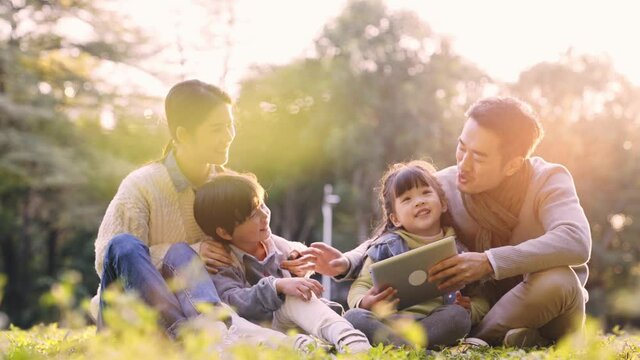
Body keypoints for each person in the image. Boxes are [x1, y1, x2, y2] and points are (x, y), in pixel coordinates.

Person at [302, 96, 592, 347]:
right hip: (472, 310)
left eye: (478, 156)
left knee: (560, 279)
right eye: (461, 147)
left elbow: (575, 241)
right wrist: (347, 263)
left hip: (542, 309)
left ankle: (479, 338)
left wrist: (489, 262)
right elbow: (393, 230)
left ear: (513, 164)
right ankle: (494, 339)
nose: (463, 164)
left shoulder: (548, 179)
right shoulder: (443, 186)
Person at [91, 79, 312, 349]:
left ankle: (201, 339)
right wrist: (191, 251)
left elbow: (256, 235)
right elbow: (108, 259)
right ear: (183, 134)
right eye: (217, 129)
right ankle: (186, 337)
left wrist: (295, 255)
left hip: (201, 313)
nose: (229, 135)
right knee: (123, 243)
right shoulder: (141, 186)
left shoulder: (228, 185)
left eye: (230, 125)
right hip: (137, 318)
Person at [193, 173, 372, 354]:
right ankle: (331, 345)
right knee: (290, 295)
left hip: (295, 323)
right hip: (262, 334)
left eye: (262, 204)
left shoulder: (276, 245)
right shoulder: (221, 259)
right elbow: (232, 302)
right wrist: (276, 286)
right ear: (225, 233)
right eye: (253, 214)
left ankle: (352, 341)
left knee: (296, 295)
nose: (265, 215)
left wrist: (298, 268)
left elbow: (298, 269)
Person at [344, 160, 486, 349]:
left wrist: (470, 308)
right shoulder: (384, 247)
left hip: (434, 324)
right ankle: (415, 349)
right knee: (353, 317)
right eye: (407, 199)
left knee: (458, 317)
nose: (419, 201)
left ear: (443, 203)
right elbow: (360, 285)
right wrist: (364, 301)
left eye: (426, 193)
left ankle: (398, 348)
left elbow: (481, 297)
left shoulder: (460, 250)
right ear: (395, 219)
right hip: (390, 323)